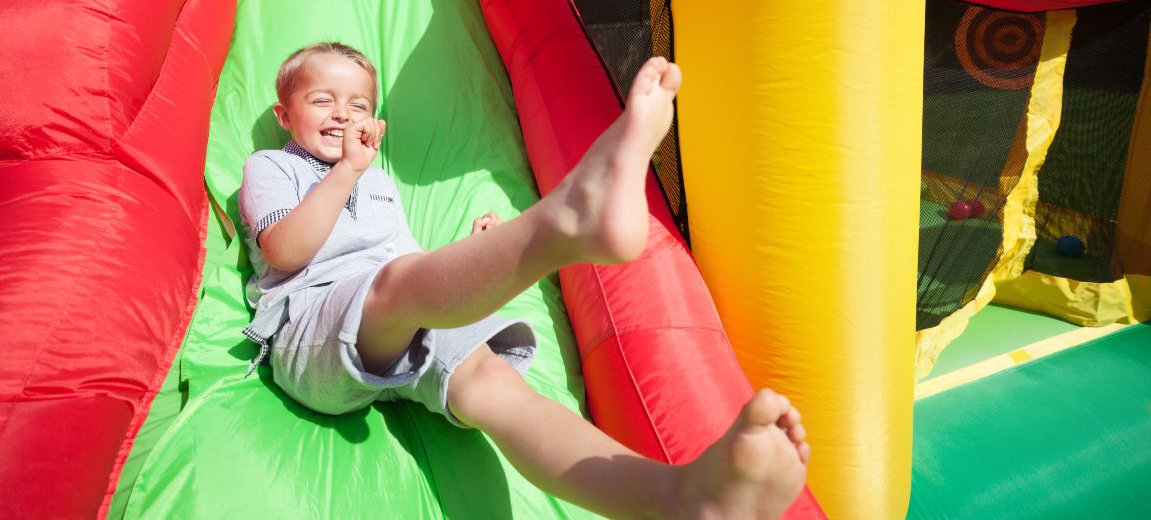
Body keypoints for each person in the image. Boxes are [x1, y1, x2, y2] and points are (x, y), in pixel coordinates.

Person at [239, 42, 810, 519]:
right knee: (393, 289)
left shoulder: (379, 182)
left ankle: (679, 497)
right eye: (322, 100)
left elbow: (407, 266)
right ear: (285, 115)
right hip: (310, 330)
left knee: (496, 387)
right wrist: (345, 172)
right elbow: (287, 252)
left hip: (392, 309)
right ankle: (558, 226)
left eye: (358, 105)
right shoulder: (271, 166)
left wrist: (475, 255)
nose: (343, 115)